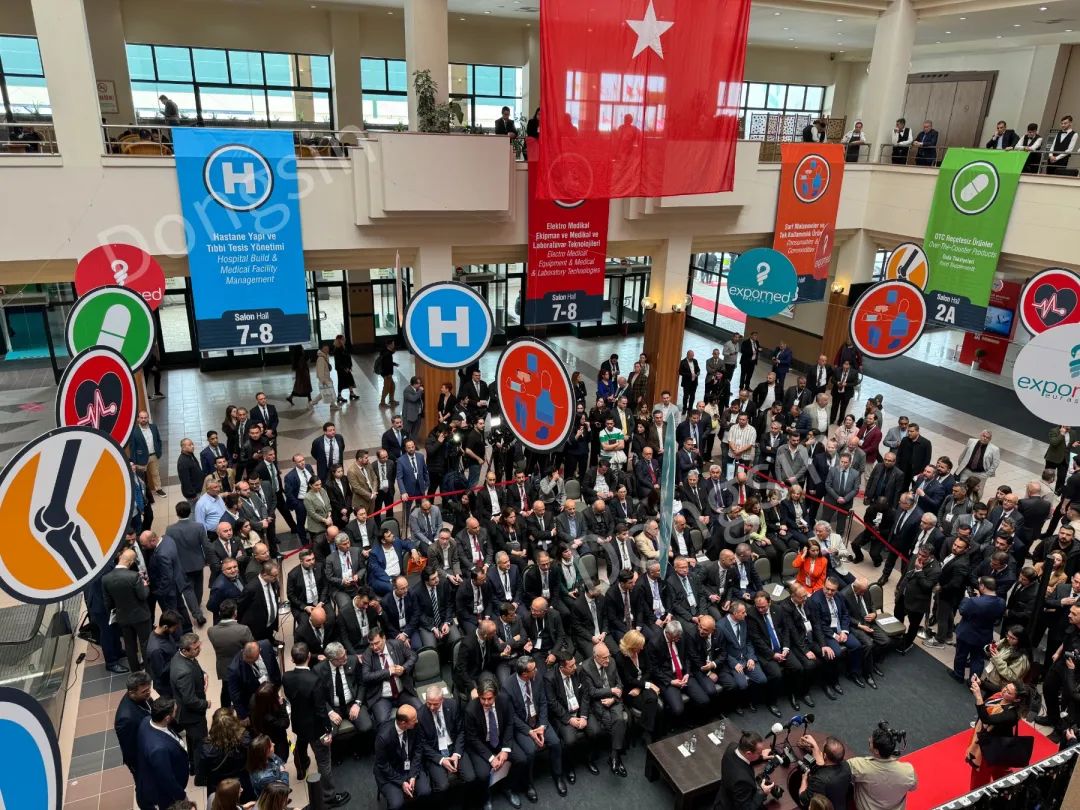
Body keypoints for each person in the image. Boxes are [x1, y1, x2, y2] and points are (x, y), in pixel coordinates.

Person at [966, 678, 1031, 788]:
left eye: (1009, 692)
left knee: (980, 774)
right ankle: (1008, 788)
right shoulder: (1001, 695)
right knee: (1000, 770)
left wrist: (979, 698)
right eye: (1006, 687)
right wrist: (980, 682)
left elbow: (986, 719)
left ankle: (980, 795)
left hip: (991, 746)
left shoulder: (1011, 715)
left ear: (1016, 699)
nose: (1004, 691)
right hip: (994, 743)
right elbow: (989, 686)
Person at [136, 697, 189, 810]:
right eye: (175, 711)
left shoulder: (146, 720)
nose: (176, 712)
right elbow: (167, 778)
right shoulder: (159, 750)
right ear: (167, 718)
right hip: (166, 794)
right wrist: (182, 796)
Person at [846, 725, 917, 810]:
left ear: (876, 751)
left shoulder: (857, 765)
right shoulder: (908, 771)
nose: (869, 740)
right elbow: (913, 788)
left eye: (871, 742)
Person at [712, 730, 778, 810]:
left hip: (723, 797)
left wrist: (761, 757)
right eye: (759, 753)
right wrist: (763, 793)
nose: (761, 753)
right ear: (749, 753)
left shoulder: (732, 747)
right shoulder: (742, 780)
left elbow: (743, 756)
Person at [797, 735, 852, 810]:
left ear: (825, 756)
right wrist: (815, 746)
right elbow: (824, 761)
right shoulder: (846, 766)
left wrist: (804, 780)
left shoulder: (820, 780)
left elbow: (803, 801)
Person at [115, 671, 153, 778]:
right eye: (144, 691)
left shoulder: (141, 697)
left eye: (149, 689)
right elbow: (130, 749)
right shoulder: (126, 719)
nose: (149, 692)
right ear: (132, 693)